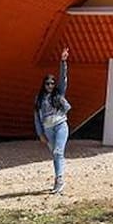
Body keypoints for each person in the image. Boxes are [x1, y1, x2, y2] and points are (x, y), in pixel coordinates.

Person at [34, 48, 71, 195]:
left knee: (58, 151)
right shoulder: (39, 99)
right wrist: (40, 133)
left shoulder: (58, 93)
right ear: (44, 85)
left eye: (52, 83)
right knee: (56, 155)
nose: (50, 86)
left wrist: (63, 62)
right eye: (47, 83)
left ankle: (59, 179)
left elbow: (63, 78)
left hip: (60, 124)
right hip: (47, 128)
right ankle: (58, 178)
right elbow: (36, 117)